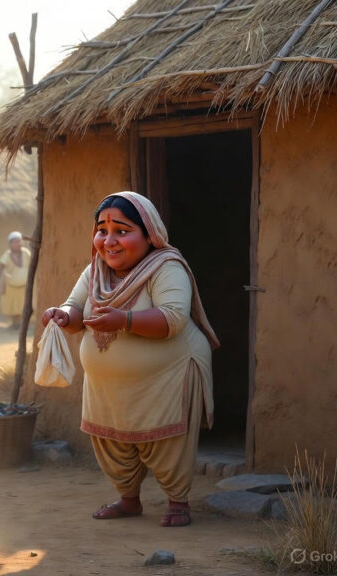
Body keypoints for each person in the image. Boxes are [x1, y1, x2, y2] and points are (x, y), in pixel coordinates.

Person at [40, 192, 219, 528]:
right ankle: (128, 499)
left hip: (168, 377)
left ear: (149, 234)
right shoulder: (95, 271)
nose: (109, 241)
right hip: (107, 387)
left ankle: (178, 501)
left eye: (122, 231)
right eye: (102, 230)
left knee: (167, 443)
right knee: (113, 444)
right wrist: (62, 315)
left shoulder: (166, 267)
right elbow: (76, 307)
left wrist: (123, 320)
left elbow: (173, 319)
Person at [0, 231, 30, 327]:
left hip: (25, 286)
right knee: (12, 306)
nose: (18, 244)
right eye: (16, 242)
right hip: (11, 286)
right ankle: (15, 323)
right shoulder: (7, 255)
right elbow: (0, 267)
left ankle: (24, 324)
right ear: (10, 244)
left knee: (24, 305)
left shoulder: (26, 253)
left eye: (20, 241)